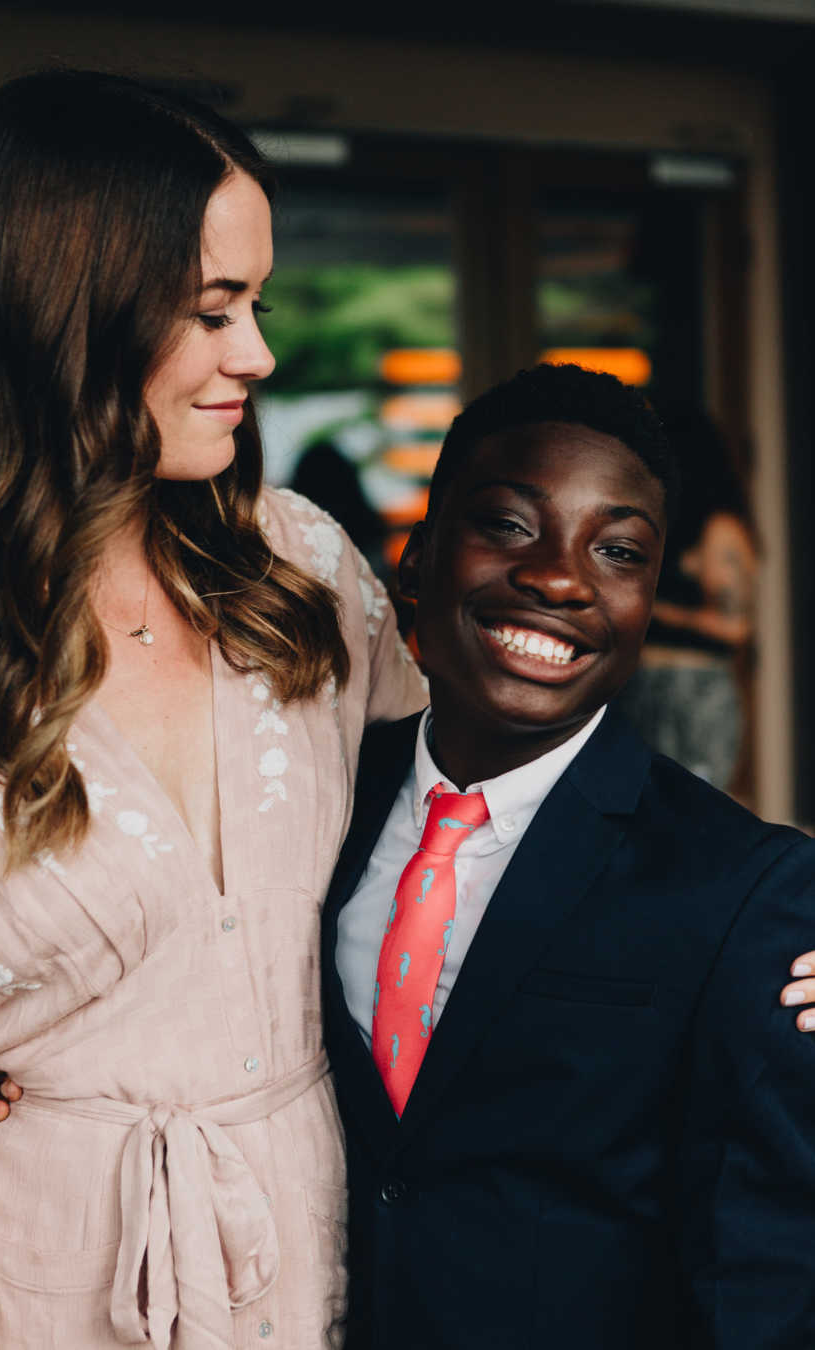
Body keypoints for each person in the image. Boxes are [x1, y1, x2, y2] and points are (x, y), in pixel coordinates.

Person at [0, 70, 426, 1349]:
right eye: (211, 312)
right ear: (64, 317)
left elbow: (495, 830)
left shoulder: (300, 567)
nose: (257, 354)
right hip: (39, 1282)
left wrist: (763, 928)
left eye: (255, 304)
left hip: (321, 1255)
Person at [318, 363, 815, 1348]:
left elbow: (766, 1270)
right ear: (412, 565)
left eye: (619, 550)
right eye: (509, 524)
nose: (559, 576)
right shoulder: (312, 807)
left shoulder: (740, 889)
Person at [618, 405, 757, 791]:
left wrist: (656, 612)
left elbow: (736, 627)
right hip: (641, 685)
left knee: (691, 820)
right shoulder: (658, 522)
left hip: (694, 693)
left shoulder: (721, 528)